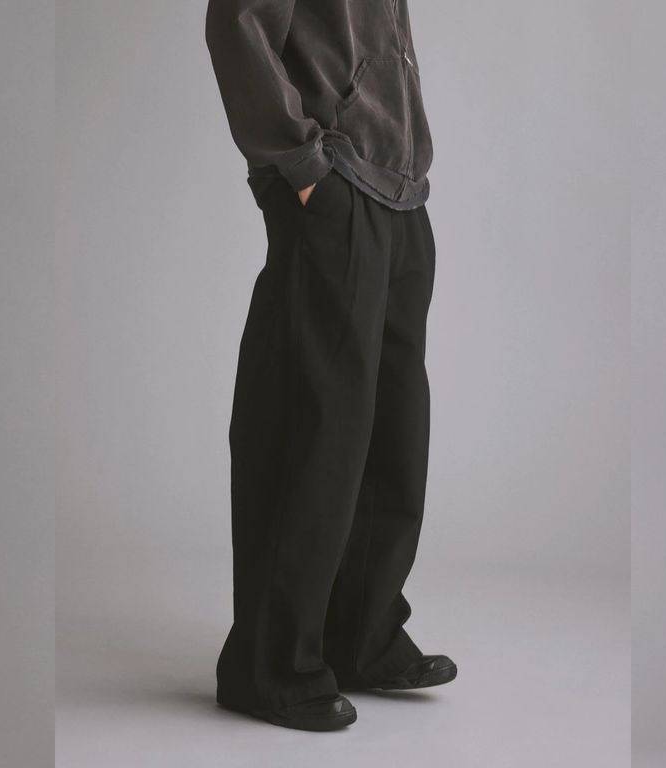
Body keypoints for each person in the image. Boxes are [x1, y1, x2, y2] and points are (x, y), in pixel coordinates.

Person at [205, 0, 456, 732]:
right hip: (334, 177)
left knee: (392, 436)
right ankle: (271, 666)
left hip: (399, 193)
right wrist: (301, 163)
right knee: (315, 428)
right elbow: (237, 25)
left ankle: (360, 637)